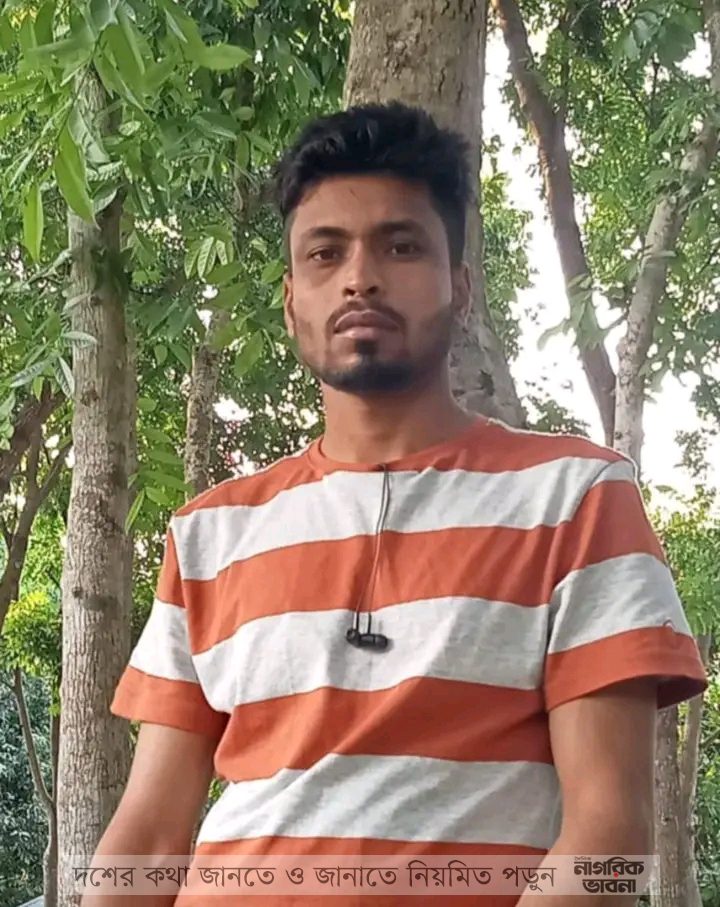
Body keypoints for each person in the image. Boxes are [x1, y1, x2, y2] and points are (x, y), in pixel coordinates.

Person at [90, 103, 707, 906]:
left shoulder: (576, 498)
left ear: (461, 286)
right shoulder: (210, 531)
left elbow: (610, 840)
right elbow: (146, 835)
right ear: (291, 301)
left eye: (401, 245)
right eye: (326, 253)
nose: (360, 277)